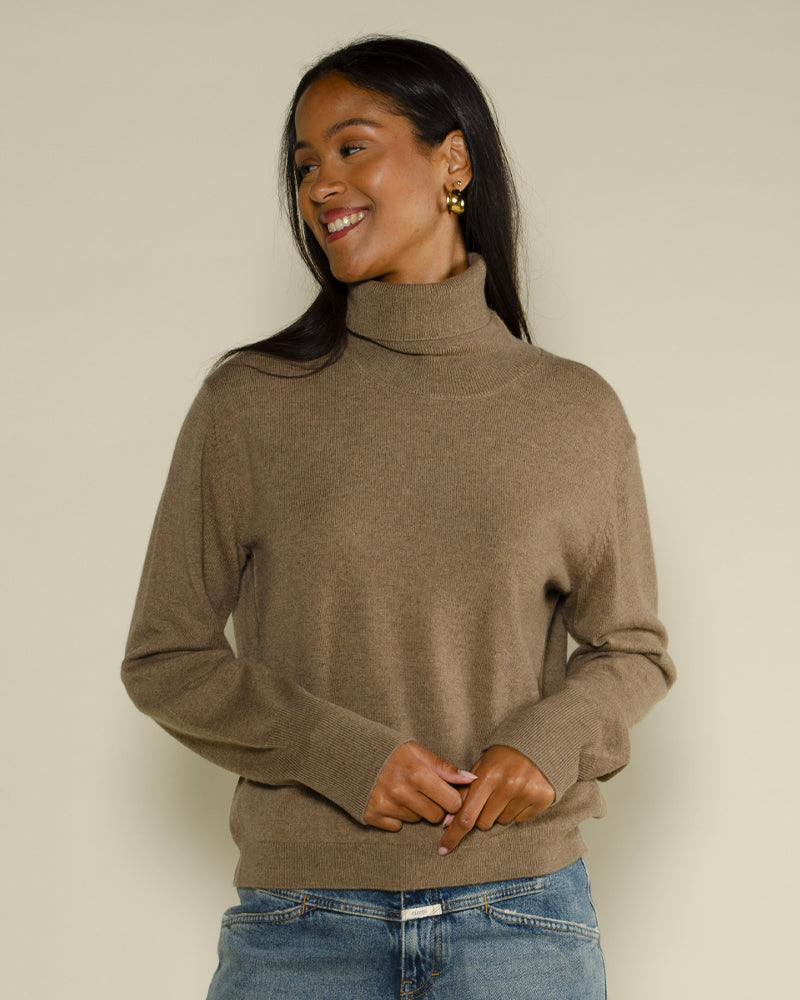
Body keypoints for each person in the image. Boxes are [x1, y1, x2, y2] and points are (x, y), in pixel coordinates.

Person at [121, 35, 675, 1000]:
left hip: (522, 919)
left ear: (452, 162)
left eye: (352, 148)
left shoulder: (574, 410)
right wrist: (340, 754)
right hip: (302, 929)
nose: (320, 186)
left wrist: (544, 744)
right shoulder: (249, 403)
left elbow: (632, 649)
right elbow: (166, 657)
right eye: (304, 165)